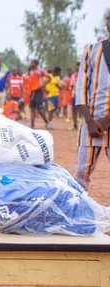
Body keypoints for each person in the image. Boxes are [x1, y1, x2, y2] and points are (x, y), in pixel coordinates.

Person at [74, 9, 110, 189]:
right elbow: (80, 87)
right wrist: (89, 121)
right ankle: (78, 213)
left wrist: (105, 121)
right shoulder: (91, 50)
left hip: (100, 122)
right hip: (91, 123)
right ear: (107, 22)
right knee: (81, 174)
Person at [28, 59, 49, 129]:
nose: (30, 64)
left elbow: (49, 77)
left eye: (32, 63)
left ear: (35, 64)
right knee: (32, 108)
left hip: (38, 91)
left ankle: (47, 122)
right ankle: (32, 125)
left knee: (39, 109)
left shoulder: (40, 71)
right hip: (32, 92)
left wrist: (44, 84)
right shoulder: (30, 71)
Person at [68, 62, 80, 131]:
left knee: (80, 111)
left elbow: (72, 86)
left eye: (77, 66)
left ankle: (79, 126)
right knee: (74, 110)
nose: (76, 68)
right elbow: (71, 85)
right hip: (75, 95)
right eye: (75, 66)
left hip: (81, 95)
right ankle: (75, 125)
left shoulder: (83, 74)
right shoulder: (74, 75)